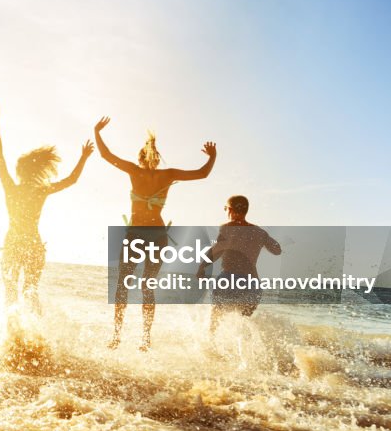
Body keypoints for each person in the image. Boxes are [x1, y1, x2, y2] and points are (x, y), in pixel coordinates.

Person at [94, 116, 216, 351]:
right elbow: (203, 173)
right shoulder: (167, 174)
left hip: (137, 236)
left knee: (123, 285)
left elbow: (106, 155)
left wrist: (97, 132)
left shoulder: (134, 170)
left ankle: (118, 337)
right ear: (156, 159)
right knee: (146, 286)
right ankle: (144, 338)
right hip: (156, 236)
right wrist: (212, 157)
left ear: (141, 158)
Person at [0, 106, 93, 315]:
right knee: (31, 290)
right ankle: (38, 338)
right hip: (33, 244)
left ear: (19, 171)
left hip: (12, 243)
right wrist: (83, 157)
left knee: (10, 291)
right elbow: (71, 180)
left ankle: (13, 336)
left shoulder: (10, 187)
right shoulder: (41, 191)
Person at [196, 195, 281, 333]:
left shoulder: (227, 228)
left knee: (216, 319)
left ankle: (211, 348)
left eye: (225, 209)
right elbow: (277, 250)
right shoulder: (260, 232)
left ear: (230, 209)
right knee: (244, 325)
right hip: (252, 284)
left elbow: (216, 251)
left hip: (229, 280)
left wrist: (202, 267)